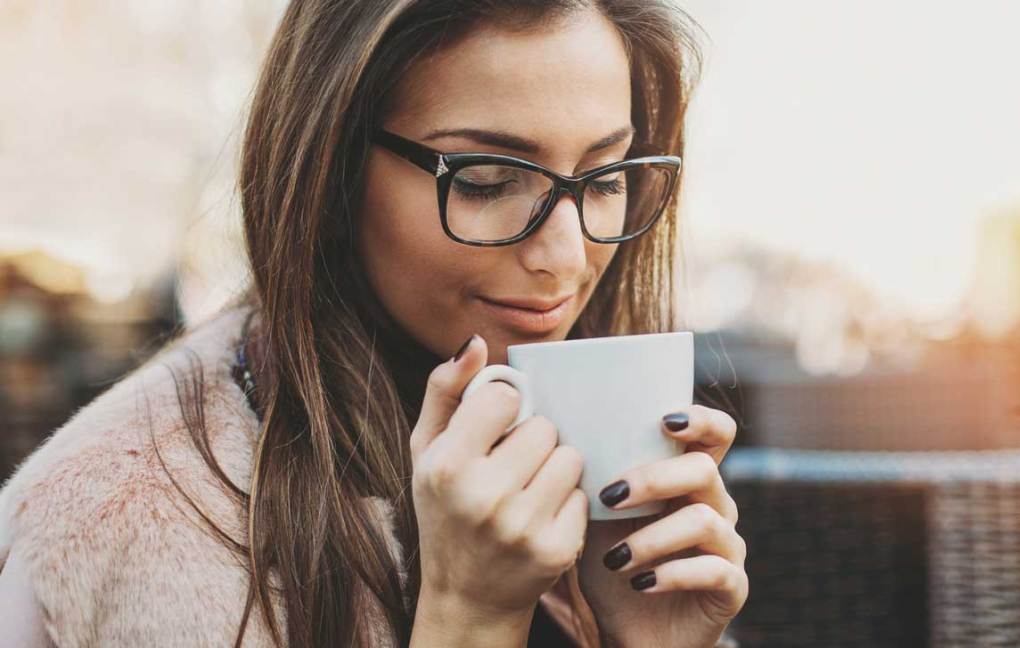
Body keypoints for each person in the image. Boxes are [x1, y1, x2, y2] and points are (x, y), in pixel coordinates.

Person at [0, 0, 748, 645]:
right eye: (487, 180)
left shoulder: (589, 445)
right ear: (331, 168)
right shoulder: (120, 533)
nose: (565, 255)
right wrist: (470, 617)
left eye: (606, 177)